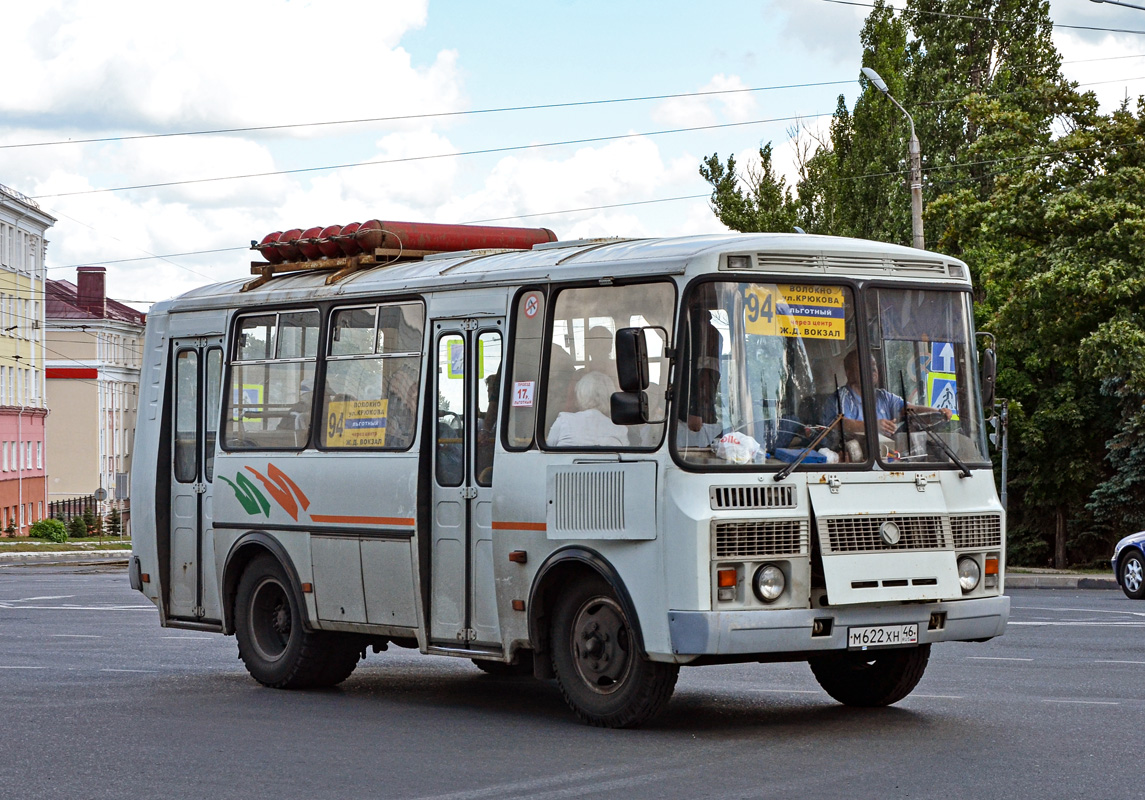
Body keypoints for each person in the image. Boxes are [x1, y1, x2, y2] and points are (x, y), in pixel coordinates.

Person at [835, 349, 952, 437]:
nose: (872, 371)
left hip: (889, 460)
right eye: (864, 367)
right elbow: (841, 424)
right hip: (856, 463)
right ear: (849, 373)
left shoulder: (884, 397)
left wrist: (938, 412)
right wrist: (873, 426)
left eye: (873, 367)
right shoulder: (842, 397)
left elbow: (911, 410)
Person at [546, 371, 628, 447]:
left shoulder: (564, 420)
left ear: (580, 394)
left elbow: (547, 450)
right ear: (609, 397)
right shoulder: (620, 428)